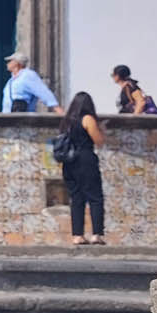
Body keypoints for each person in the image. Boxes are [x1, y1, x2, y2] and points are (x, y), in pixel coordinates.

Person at [58, 92, 107, 245]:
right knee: (95, 197)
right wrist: (102, 130)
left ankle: (77, 235)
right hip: (85, 159)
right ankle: (96, 234)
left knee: (76, 198)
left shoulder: (67, 122)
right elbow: (98, 141)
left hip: (69, 162)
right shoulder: (87, 119)